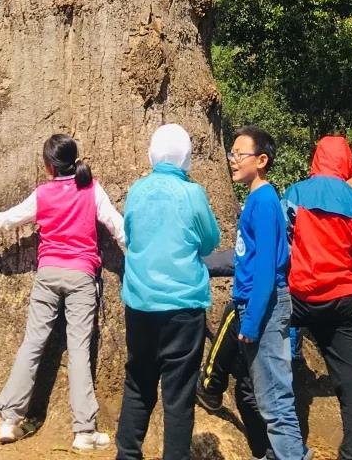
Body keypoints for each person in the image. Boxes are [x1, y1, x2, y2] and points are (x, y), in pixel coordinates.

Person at [0, 133, 123, 452]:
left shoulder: (43, 193)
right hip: (81, 275)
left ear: (49, 166)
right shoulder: (91, 189)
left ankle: (9, 419)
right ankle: (83, 431)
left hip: (48, 273)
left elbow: (7, 221)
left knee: (33, 343)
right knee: (79, 350)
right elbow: (118, 227)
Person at [116, 123, 221, 460]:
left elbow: (130, 235)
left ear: (152, 153)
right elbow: (210, 242)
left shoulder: (137, 190)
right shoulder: (193, 194)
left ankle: (127, 454)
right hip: (183, 305)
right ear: (186, 158)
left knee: (138, 383)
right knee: (178, 393)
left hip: (141, 302)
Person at [283, 136, 352, 460]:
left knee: (264, 344)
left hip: (299, 294)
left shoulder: (296, 192)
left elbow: (283, 235)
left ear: (316, 159)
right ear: (347, 164)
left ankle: (278, 443)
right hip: (342, 297)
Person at [229, 126, 310, 460]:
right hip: (257, 305)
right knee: (268, 397)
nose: (232, 160)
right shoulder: (257, 198)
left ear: (261, 160)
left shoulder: (263, 201)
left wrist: (251, 322)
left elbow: (265, 268)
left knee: (276, 401)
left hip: (264, 308)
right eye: (231, 153)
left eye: (239, 154)